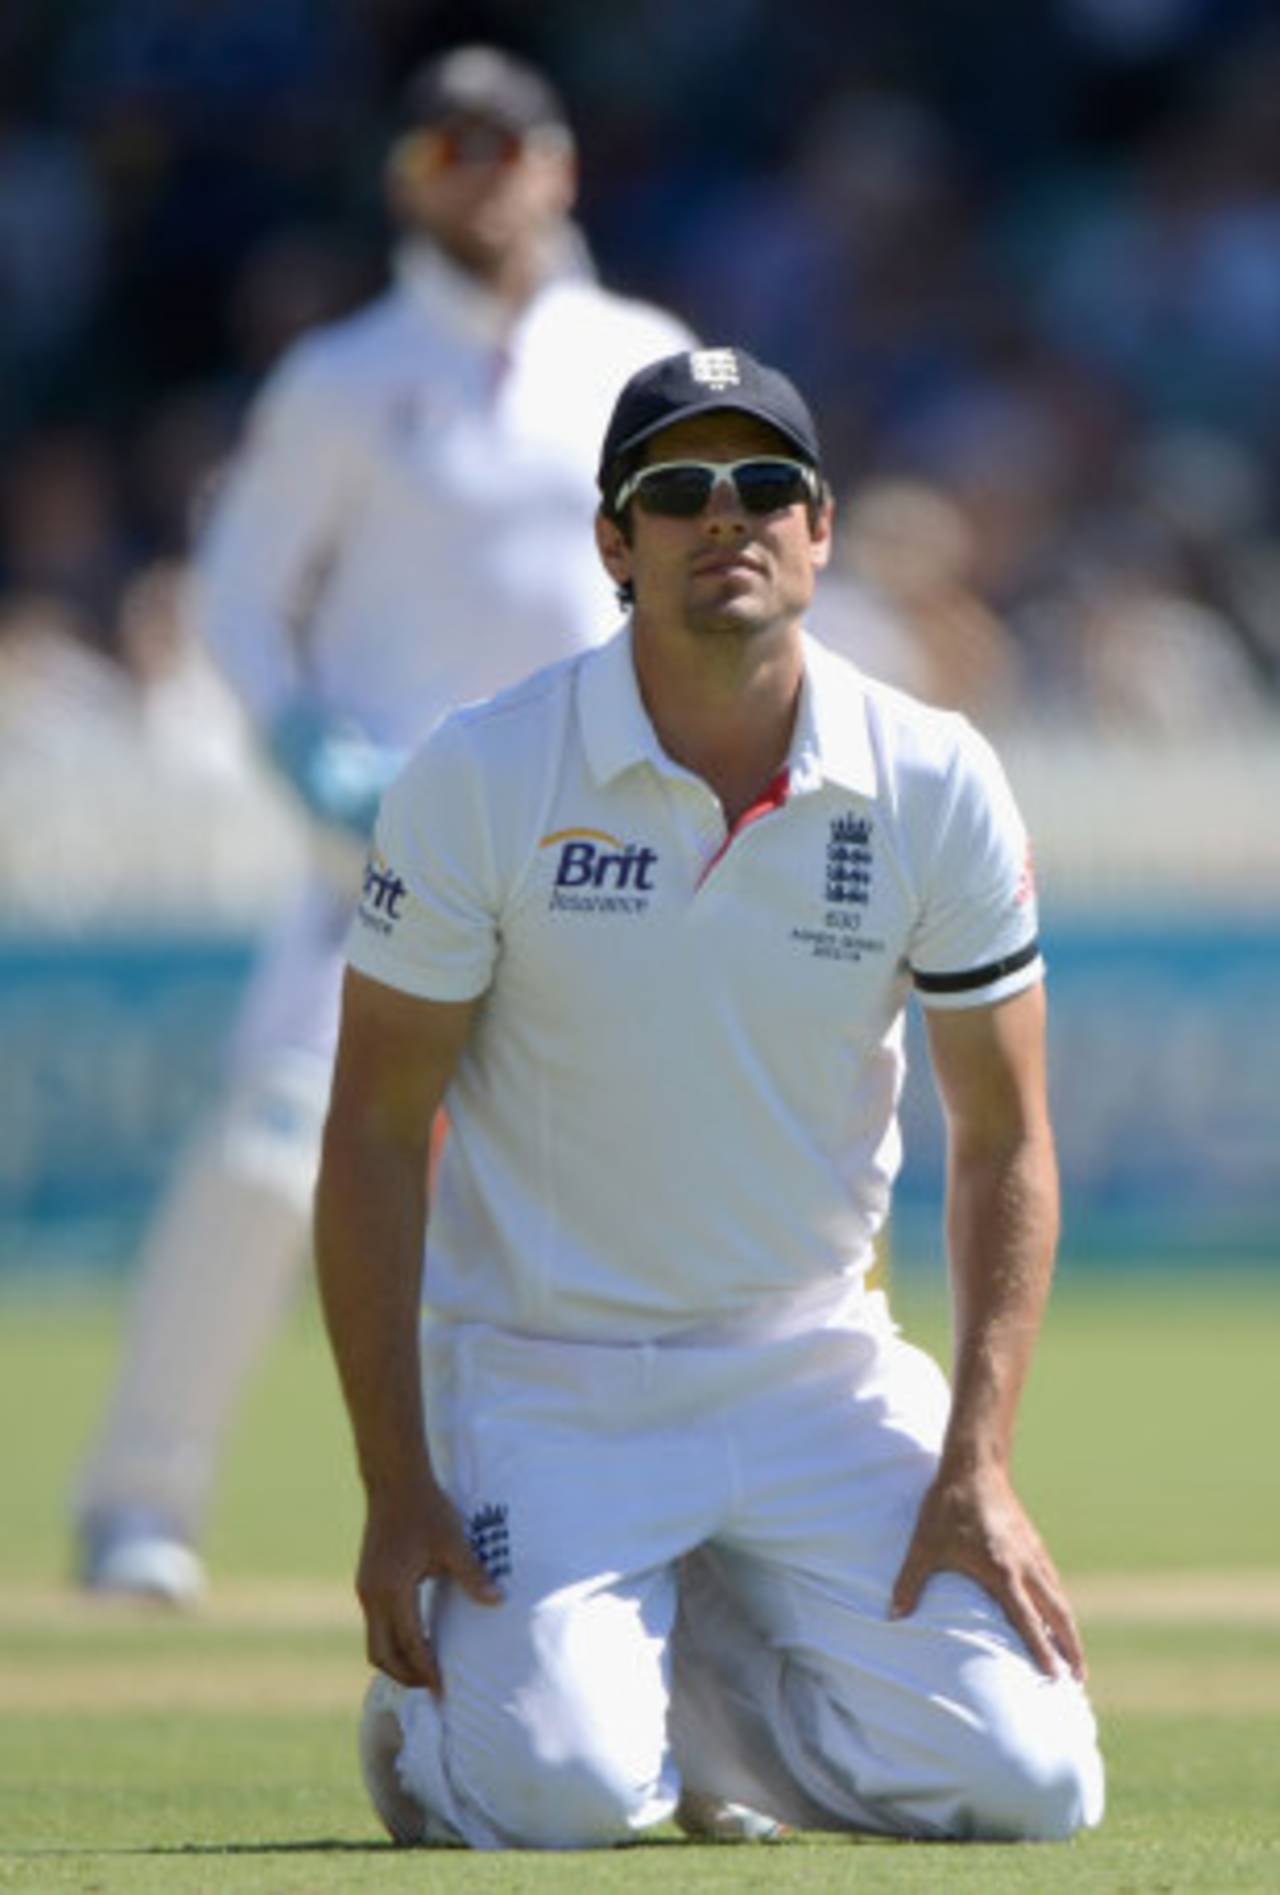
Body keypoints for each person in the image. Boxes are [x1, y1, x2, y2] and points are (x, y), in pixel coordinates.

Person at [314, 345, 1105, 1849]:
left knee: (1038, 1785)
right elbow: (366, 1133)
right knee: (556, 1798)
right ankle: (440, 1733)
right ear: (615, 543)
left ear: (821, 530)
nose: (722, 517)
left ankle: (687, 1680)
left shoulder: (933, 775)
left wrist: (978, 1467)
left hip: (813, 1365)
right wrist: (397, 1479)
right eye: (676, 492)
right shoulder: (484, 772)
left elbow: (1003, 1139)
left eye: (763, 488)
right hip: (550, 1376)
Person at [73, 44, 694, 1602]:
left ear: (558, 169)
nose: (478, 178)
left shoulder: (642, 357)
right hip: (393, 848)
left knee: (646, 1189)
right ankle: (141, 1500)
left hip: (598, 844)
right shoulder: (346, 380)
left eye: (506, 149)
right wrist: (303, 750)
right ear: (406, 180)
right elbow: (235, 600)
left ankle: (668, 1541)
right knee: (276, 1159)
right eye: (444, 153)